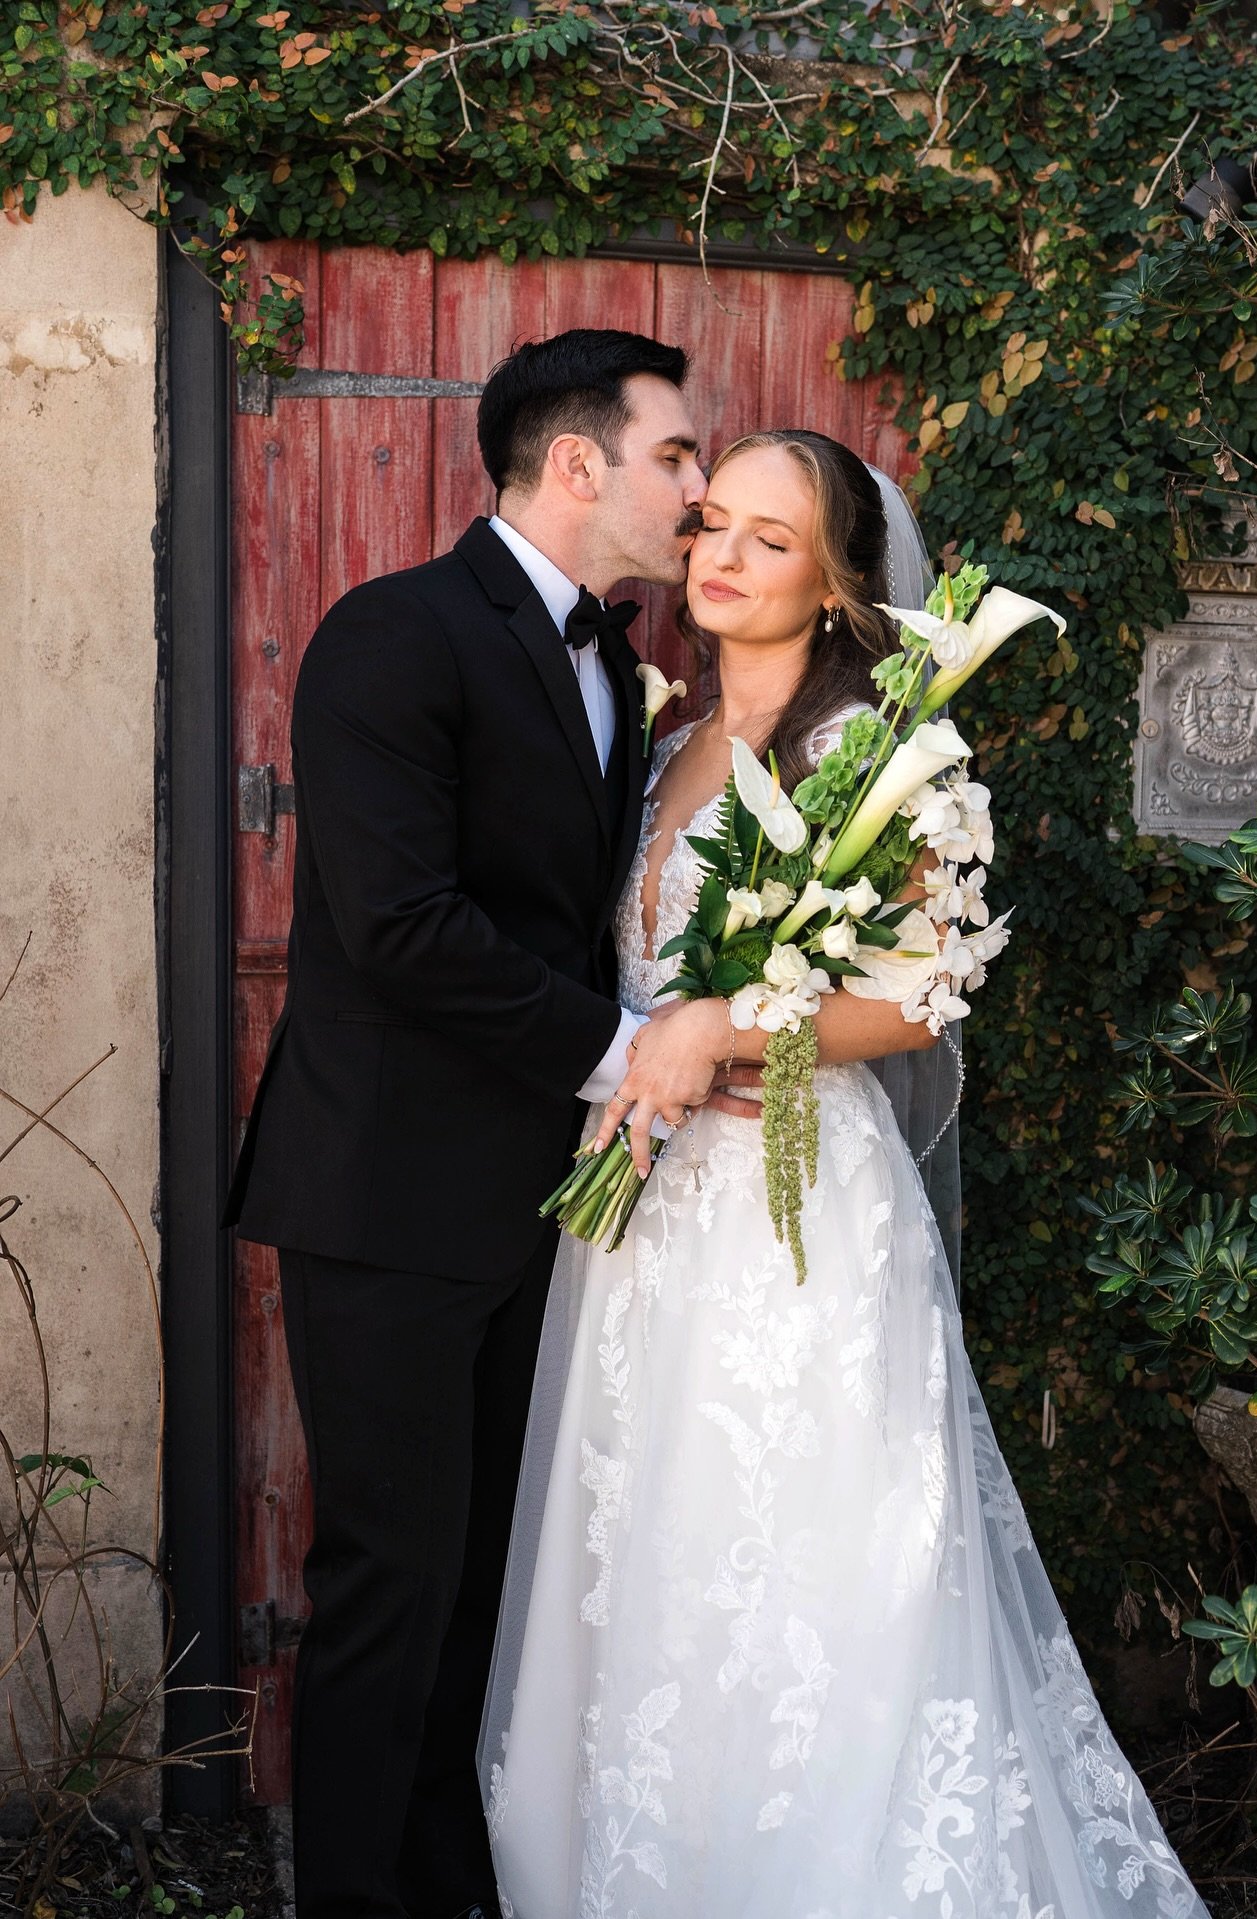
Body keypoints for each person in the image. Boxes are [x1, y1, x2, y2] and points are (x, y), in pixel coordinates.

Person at [478, 431, 1209, 1919]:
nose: (723, 560)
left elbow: (930, 991)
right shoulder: (653, 733)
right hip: (645, 1223)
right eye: (712, 529)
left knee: (820, 1570)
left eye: (771, 539)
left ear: (836, 584)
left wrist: (728, 1021)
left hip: (797, 1224)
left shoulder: (888, 751)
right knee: (653, 1570)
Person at [224, 329, 742, 1919]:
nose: (700, 489)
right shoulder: (395, 635)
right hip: (385, 1199)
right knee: (388, 1587)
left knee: (491, 1602)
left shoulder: (617, 669)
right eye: (676, 456)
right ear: (576, 463)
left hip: (543, 1205)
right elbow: (400, 927)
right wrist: (633, 1049)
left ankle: (457, 1886)